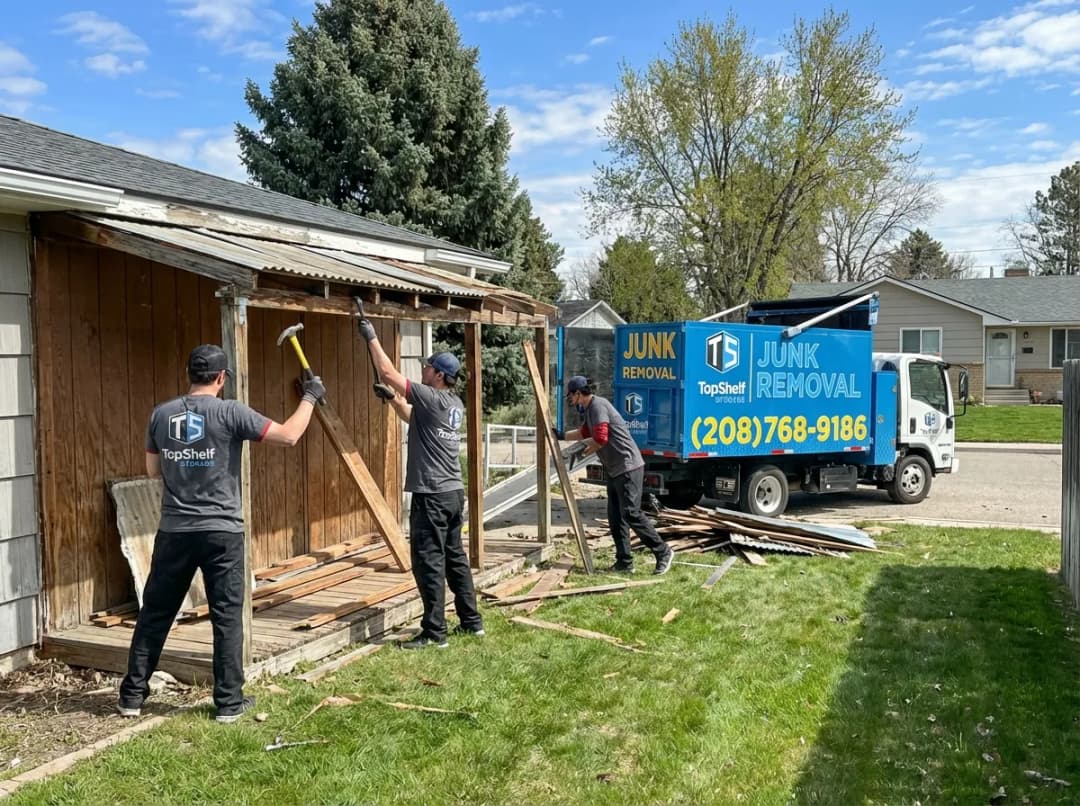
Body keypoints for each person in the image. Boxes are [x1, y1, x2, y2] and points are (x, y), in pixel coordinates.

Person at [118, 344, 325, 723]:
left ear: (189, 374)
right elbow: (289, 435)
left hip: (175, 530)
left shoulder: (161, 415)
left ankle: (132, 697)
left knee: (155, 614)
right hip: (222, 532)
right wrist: (310, 397)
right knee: (227, 617)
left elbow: (152, 471)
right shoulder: (231, 412)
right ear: (221, 378)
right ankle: (229, 703)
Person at [356, 317, 484, 649]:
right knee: (454, 558)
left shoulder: (431, 395)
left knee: (428, 560)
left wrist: (370, 336)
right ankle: (471, 622)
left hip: (432, 494)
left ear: (439, 376)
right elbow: (413, 417)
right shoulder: (452, 404)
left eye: (428, 367)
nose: (424, 370)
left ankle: (434, 633)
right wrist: (392, 399)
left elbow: (387, 372)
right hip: (452, 494)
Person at [554, 376, 674, 575]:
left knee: (631, 513)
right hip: (615, 469)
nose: (570, 400)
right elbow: (584, 433)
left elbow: (601, 438)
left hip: (628, 466)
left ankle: (663, 552)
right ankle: (624, 563)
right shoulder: (590, 411)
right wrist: (560, 435)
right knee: (615, 517)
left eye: (571, 396)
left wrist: (584, 450)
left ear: (578, 393)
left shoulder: (598, 406)